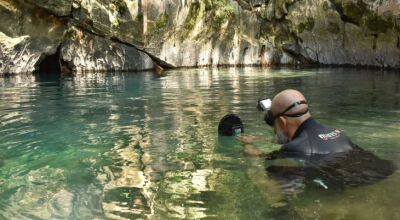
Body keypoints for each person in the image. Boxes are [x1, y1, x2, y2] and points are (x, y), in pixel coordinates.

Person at [243, 89, 353, 158]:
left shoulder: (294, 149)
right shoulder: (338, 133)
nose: (275, 131)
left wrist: (248, 144)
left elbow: (261, 158)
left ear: (282, 121)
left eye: (275, 126)